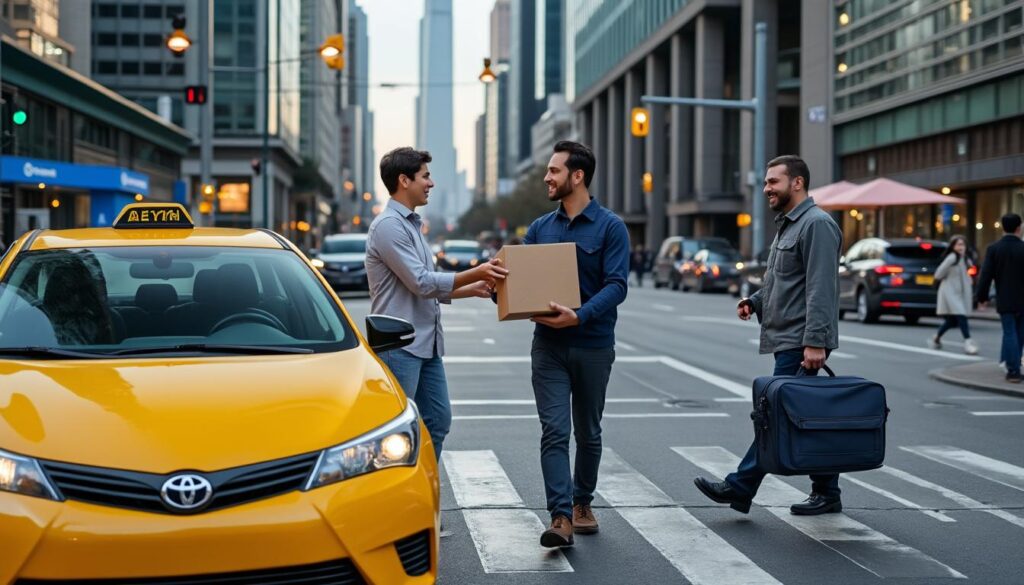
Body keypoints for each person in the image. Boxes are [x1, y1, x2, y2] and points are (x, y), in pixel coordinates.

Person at [693, 155, 844, 516]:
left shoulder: (817, 225)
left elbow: (821, 288)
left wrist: (816, 341)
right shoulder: (790, 225)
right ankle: (826, 491)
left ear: (797, 183)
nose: (766, 189)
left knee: (773, 416)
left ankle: (740, 486)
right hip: (787, 339)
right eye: (765, 182)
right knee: (800, 417)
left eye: (772, 182)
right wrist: (756, 301)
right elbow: (785, 281)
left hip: (800, 341)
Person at [366, 147, 509, 460]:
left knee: (437, 421)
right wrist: (477, 271)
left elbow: (426, 284)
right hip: (398, 345)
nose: (431, 183)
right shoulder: (389, 226)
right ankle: (397, 500)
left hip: (425, 344)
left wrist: (470, 289)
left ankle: (422, 490)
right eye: (425, 176)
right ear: (404, 180)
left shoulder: (413, 225)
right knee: (396, 430)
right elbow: (420, 281)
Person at [525, 141, 629, 548]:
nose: (547, 178)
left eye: (553, 171)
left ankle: (583, 501)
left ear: (577, 175)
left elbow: (617, 285)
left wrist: (580, 314)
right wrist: (502, 291)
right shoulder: (539, 229)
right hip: (547, 346)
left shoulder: (610, 227)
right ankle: (561, 516)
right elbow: (521, 283)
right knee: (554, 431)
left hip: (593, 345)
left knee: (588, 432)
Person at [975, 213, 1024, 383]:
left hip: (1005, 298)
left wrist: (981, 296)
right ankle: (1014, 365)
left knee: (1009, 332)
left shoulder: (994, 249)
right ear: (1019, 227)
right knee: (1020, 334)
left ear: (1003, 228)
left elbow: (986, 275)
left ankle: (1013, 370)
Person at [928, 235, 978, 355]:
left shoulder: (965, 258)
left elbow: (970, 271)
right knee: (961, 315)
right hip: (950, 292)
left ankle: (937, 337)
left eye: (963, 244)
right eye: (958, 244)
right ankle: (968, 343)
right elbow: (938, 274)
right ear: (953, 246)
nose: (961, 247)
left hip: (961, 292)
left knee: (952, 321)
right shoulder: (951, 258)